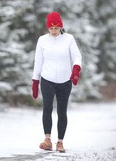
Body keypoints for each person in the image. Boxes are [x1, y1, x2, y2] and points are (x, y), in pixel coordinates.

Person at [31, 11, 82, 153]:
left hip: (65, 81)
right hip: (47, 79)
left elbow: (77, 57)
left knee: (62, 111)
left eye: (56, 28)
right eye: (51, 28)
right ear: (47, 28)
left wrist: (76, 70)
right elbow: (38, 62)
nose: (53, 31)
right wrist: (35, 81)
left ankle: (60, 142)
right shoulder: (42, 40)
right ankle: (47, 140)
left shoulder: (69, 39)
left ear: (61, 27)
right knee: (47, 108)